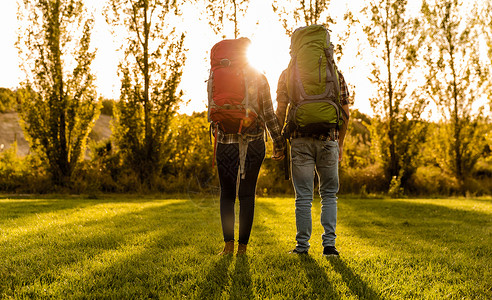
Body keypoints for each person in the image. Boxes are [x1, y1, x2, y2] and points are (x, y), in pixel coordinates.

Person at [210, 39, 285, 256]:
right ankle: (242, 248)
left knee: (226, 194)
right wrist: (278, 143)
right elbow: (270, 114)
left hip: (224, 142)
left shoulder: (217, 74)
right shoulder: (259, 77)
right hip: (252, 143)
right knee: (247, 194)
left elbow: (213, 109)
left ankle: (228, 246)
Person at [276, 51, 350, 257]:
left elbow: (280, 112)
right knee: (328, 195)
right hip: (328, 140)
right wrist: (340, 144)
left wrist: (278, 142)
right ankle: (329, 247)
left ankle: (302, 247)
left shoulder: (287, 74)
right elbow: (345, 114)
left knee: (303, 197)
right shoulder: (335, 74)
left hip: (299, 141)